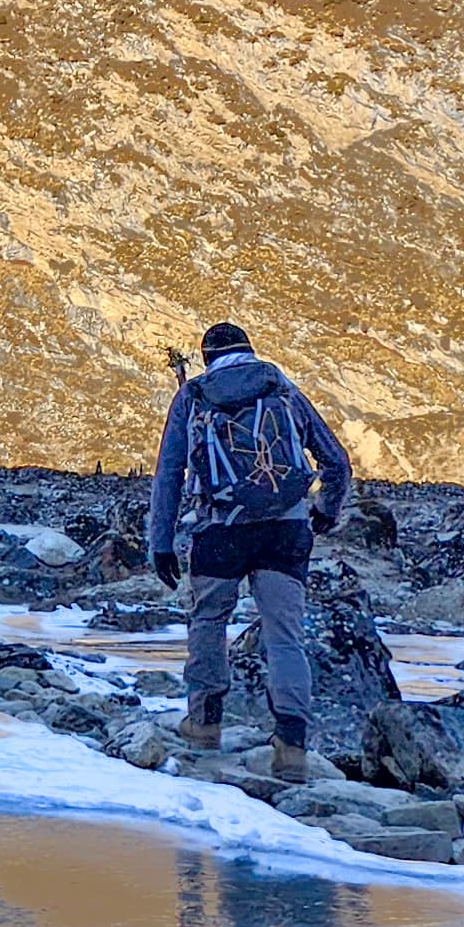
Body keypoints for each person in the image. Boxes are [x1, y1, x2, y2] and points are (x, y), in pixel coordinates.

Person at [147, 322, 354, 782]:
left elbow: (169, 474)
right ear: (250, 350)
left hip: (219, 529)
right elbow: (336, 461)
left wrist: (160, 542)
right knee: (285, 637)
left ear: (206, 357)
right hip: (286, 528)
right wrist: (324, 511)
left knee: (208, 622)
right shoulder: (281, 387)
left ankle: (204, 725)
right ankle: (292, 746)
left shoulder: (194, 396)